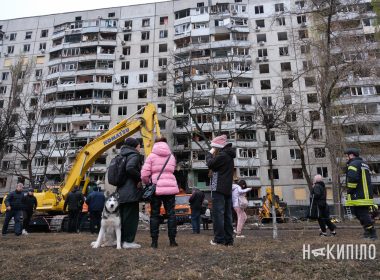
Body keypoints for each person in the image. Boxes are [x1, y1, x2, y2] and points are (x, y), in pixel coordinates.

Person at [141, 137, 179, 248]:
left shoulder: (151, 156)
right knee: (171, 214)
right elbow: (172, 170)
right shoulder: (171, 156)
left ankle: (154, 242)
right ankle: (172, 241)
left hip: (156, 189)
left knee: (154, 214)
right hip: (170, 188)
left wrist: (148, 183)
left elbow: (144, 174)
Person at [206, 134, 236, 246]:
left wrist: (209, 153)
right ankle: (229, 239)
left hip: (218, 188)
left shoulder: (223, 155)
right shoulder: (228, 155)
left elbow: (210, 163)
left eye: (215, 147)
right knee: (227, 215)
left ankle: (219, 239)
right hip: (227, 188)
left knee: (218, 215)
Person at [345, 148, 377, 240]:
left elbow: (352, 179)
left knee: (362, 214)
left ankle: (372, 233)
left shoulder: (353, 164)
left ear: (351, 155)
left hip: (358, 195)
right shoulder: (364, 164)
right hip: (365, 193)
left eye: (347, 156)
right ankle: (367, 232)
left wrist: (349, 190)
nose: (346, 158)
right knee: (360, 214)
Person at [118, 137, 143, 249]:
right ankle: (128, 241)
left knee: (122, 218)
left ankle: (120, 240)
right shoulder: (134, 155)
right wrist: (140, 178)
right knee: (131, 218)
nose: (140, 147)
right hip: (130, 192)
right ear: (134, 146)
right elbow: (130, 168)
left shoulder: (122, 155)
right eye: (139, 145)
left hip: (121, 191)